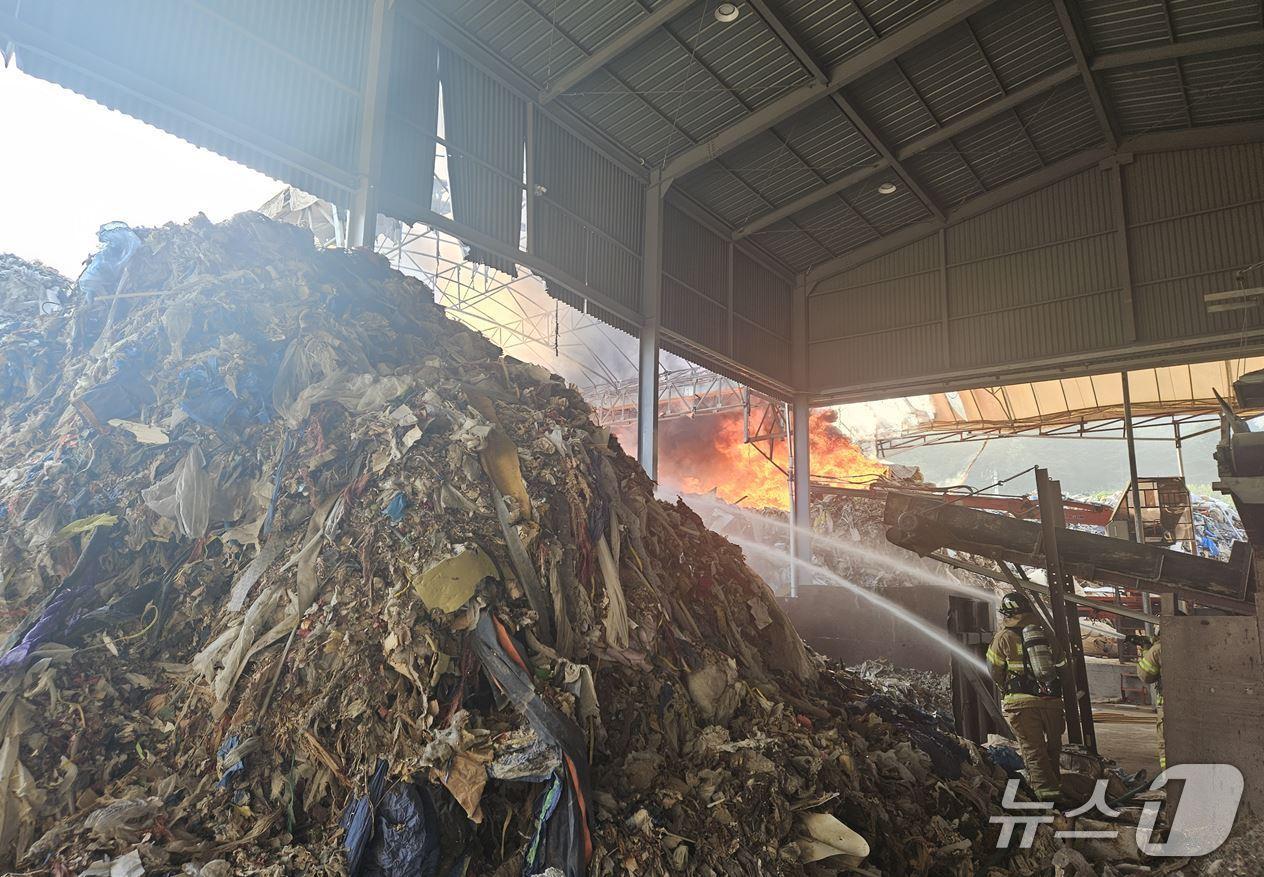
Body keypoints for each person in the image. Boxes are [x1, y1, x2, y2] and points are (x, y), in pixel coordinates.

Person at [987, 591, 1069, 801]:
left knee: (1034, 751)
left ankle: (1047, 800)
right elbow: (1063, 666)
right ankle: (1055, 790)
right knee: (1052, 749)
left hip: (1022, 704)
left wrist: (1006, 685)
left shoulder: (1004, 636)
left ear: (1008, 613)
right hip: (1052, 702)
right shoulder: (1046, 635)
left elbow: (994, 669)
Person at [1135, 631, 1164, 769]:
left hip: (1168, 706)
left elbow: (1145, 676)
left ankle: (1172, 780)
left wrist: (1146, 650)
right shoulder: (1199, 643)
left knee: (1167, 745)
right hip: (1198, 705)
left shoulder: (1158, 649)